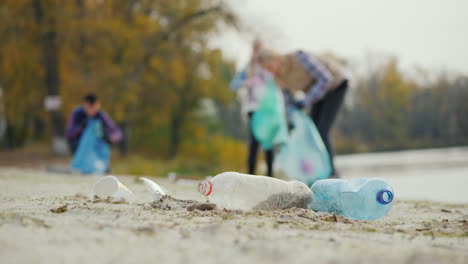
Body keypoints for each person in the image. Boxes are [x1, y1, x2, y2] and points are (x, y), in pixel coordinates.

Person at [258, 49, 348, 178]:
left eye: (270, 67)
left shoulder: (300, 59)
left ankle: (333, 173)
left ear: (276, 59)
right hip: (316, 94)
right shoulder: (278, 78)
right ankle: (319, 172)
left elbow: (325, 79)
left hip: (336, 85)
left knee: (322, 130)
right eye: (266, 70)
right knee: (311, 132)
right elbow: (288, 102)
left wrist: (305, 101)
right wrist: (292, 122)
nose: (270, 71)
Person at [229, 39, 275, 177]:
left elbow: (276, 82)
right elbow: (234, 84)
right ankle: (251, 175)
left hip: (268, 109)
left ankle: (270, 176)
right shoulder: (248, 67)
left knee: (268, 143)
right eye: (256, 49)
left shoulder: (269, 67)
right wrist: (247, 81)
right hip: (252, 109)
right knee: (254, 143)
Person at [66, 93, 122, 174]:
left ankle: (102, 166)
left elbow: (117, 132)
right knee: (88, 133)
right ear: (84, 105)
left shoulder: (101, 116)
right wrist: (81, 127)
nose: (92, 110)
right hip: (80, 146)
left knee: (97, 131)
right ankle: (81, 166)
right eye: (89, 107)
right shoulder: (77, 114)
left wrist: (111, 137)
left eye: (94, 107)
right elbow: (69, 133)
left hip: (98, 147)